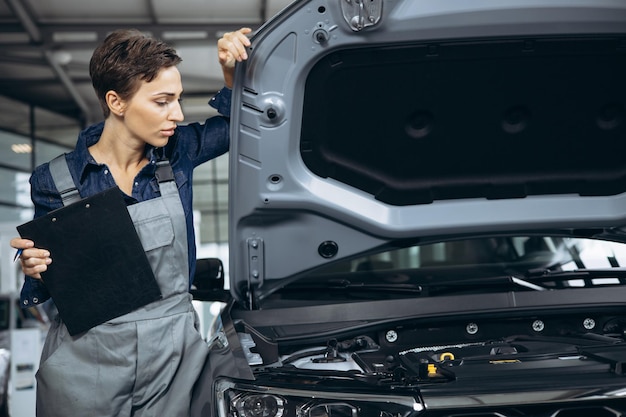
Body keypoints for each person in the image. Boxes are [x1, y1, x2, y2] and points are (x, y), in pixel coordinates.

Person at [9, 26, 251, 416]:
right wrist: (35, 270)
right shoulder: (55, 181)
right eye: (162, 101)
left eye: (178, 99)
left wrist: (230, 74)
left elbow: (242, 126)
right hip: (85, 367)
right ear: (115, 102)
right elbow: (47, 285)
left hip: (175, 365)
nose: (178, 114)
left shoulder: (178, 153)